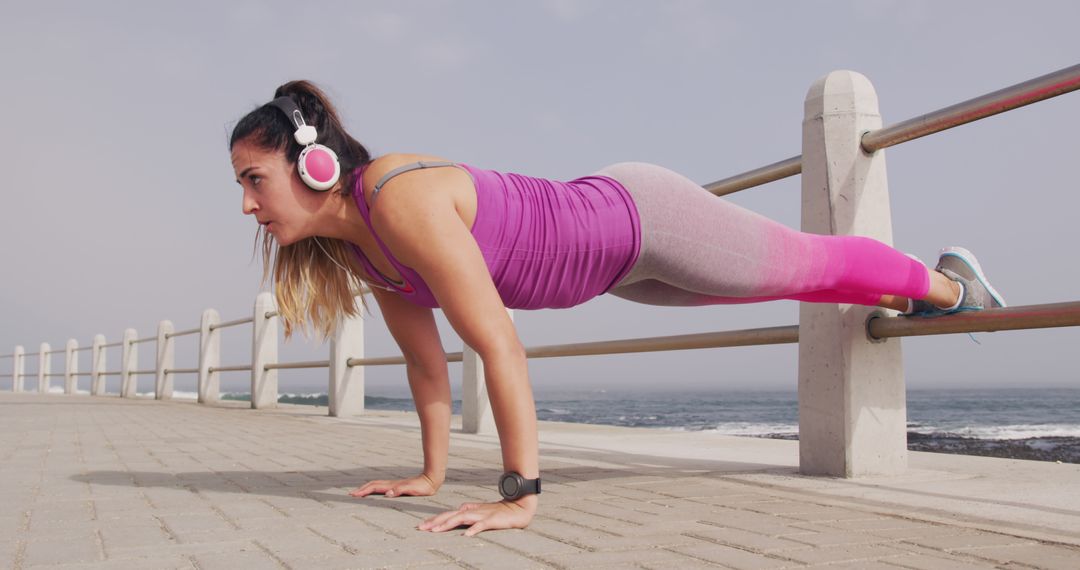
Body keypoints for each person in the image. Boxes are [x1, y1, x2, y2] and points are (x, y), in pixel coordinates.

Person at [228, 80, 1007, 536]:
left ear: (314, 164)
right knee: (788, 283)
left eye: (255, 179)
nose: (246, 203)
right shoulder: (368, 253)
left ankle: (953, 286)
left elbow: (497, 343)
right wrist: (429, 476)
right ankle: (922, 289)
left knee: (806, 265)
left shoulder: (398, 195)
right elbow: (427, 365)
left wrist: (519, 495)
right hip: (617, 268)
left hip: (639, 216)